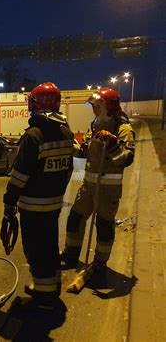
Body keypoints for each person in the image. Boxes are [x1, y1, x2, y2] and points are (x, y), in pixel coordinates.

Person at [0, 82, 75, 304]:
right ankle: (52, 288)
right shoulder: (65, 132)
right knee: (50, 246)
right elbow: (68, 169)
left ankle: (43, 297)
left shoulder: (34, 136)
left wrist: (9, 203)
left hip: (33, 206)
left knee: (36, 250)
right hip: (53, 204)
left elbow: (19, 176)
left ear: (34, 104)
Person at [60, 87, 135, 276]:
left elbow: (125, 160)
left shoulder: (123, 129)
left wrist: (112, 144)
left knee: (103, 227)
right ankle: (70, 255)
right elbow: (85, 154)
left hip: (108, 189)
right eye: (93, 106)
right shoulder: (95, 125)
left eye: (97, 106)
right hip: (89, 185)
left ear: (108, 107)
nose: (94, 110)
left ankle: (100, 264)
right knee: (75, 218)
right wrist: (74, 146)